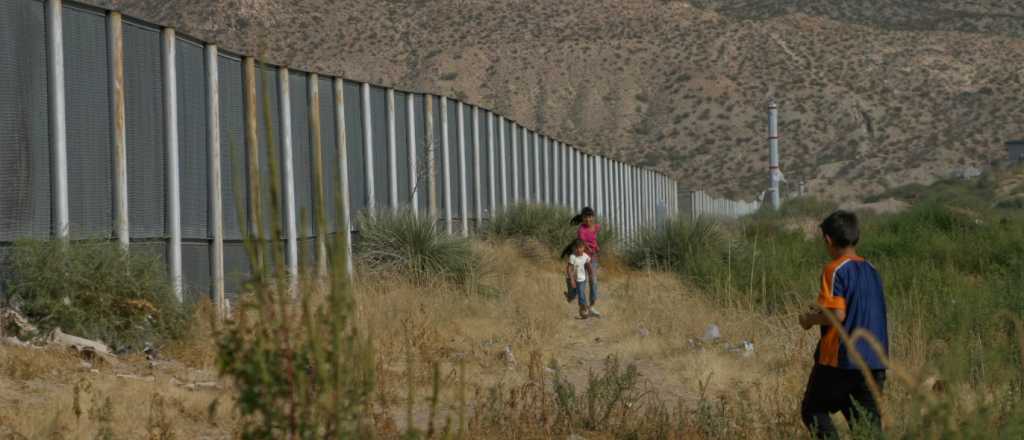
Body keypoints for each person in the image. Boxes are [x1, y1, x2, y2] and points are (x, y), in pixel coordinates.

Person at [798, 210, 889, 439]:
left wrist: (809, 320)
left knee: (813, 410)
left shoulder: (834, 269)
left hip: (841, 362)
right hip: (875, 363)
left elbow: (838, 315)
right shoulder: (872, 270)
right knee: (868, 431)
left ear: (828, 240)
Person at [571, 207, 601, 317]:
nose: (588, 219)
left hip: (592, 259)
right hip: (582, 260)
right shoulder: (581, 230)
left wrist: (596, 247)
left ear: (593, 217)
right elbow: (584, 244)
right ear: (582, 218)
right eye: (585, 217)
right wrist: (590, 248)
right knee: (582, 282)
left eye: (590, 217)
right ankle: (583, 307)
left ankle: (592, 305)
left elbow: (594, 239)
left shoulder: (596, 227)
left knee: (593, 281)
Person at [561, 238, 595, 319]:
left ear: (584, 248)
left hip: (582, 279)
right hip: (571, 279)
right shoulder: (572, 257)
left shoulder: (585, 256)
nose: (579, 250)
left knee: (581, 294)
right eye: (577, 248)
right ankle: (569, 295)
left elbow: (589, 267)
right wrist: (572, 280)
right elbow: (569, 269)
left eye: (580, 248)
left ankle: (583, 310)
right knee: (573, 294)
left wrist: (591, 276)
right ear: (574, 248)